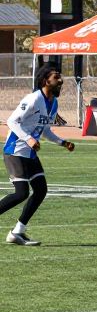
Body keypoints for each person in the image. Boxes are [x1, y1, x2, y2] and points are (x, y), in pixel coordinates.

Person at [2, 67, 76, 245]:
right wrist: (28, 139)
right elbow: (12, 121)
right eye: (56, 77)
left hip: (30, 153)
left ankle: (17, 232)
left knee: (41, 190)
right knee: (21, 193)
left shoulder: (53, 103)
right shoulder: (34, 98)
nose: (61, 81)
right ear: (45, 81)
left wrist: (62, 142)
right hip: (15, 150)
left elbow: (45, 130)